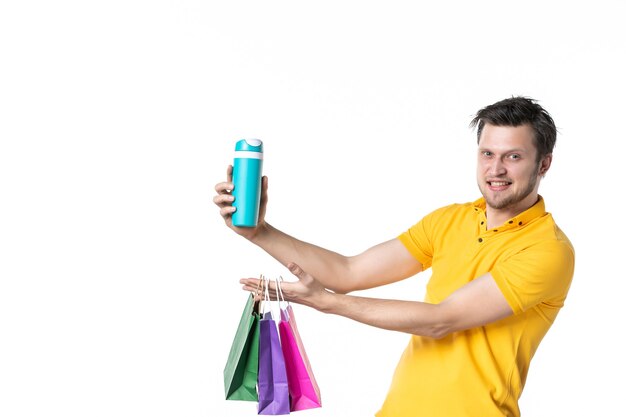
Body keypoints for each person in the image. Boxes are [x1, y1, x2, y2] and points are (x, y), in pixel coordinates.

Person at [213, 96, 575, 417]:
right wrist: (260, 232)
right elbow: (347, 271)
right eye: (487, 154)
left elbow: (441, 320)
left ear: (543, 164)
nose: (496, 169)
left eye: (513, 156)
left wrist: (326, 303)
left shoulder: (547, 249)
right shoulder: (451, 220)